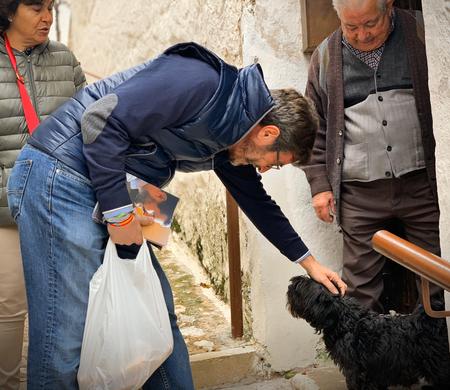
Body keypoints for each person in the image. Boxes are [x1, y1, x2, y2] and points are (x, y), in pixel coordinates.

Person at [8, 41, 346, 389]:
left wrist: (308, 262)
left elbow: (258, 203)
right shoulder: (200, 81)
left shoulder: (234, 139)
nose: (265, 170)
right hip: (62, 173)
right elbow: (99, 121)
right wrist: (121, 215)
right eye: (275, 162)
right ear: (268, 133)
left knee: (156, 315)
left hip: (128, 186)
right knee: (64, 335)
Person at [303, 0, 441, 313]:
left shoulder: (421, 31)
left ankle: (437, 356)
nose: (362, 35)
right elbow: (314, 129)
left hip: (422, 184)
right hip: (360, 196)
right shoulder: (324, 57)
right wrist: (320, 186)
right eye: (351, 27)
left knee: (436, 278)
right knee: (359, 293)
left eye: (370, 24)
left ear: (388, 7)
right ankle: (364, 361)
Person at [0, 0, 86, 388]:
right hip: (7, 210)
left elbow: (96, 125)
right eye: (35, 7)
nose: (47, 16)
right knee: (10, 306)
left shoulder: (64, 60)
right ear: (8, 10)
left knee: (66, 306)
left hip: (64, 205)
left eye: (50, 6)